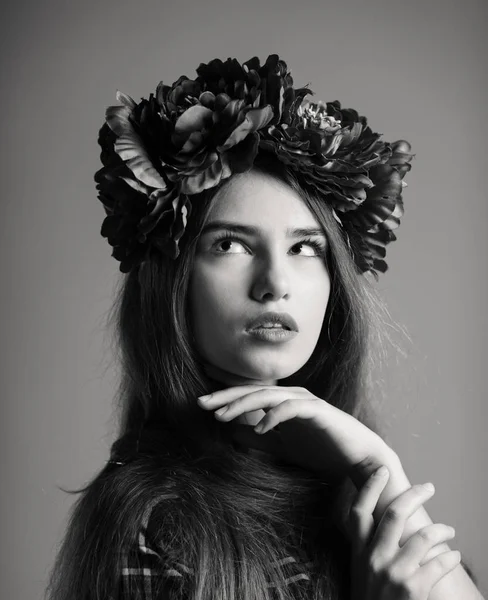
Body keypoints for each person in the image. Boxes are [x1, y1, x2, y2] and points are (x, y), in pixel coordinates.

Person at [44, 54, 484, 600]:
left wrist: (382, 470)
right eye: (230, 244)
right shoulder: (154, 522)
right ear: (173, 279)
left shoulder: (345, 486)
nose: (275, 282)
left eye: (305, 247)